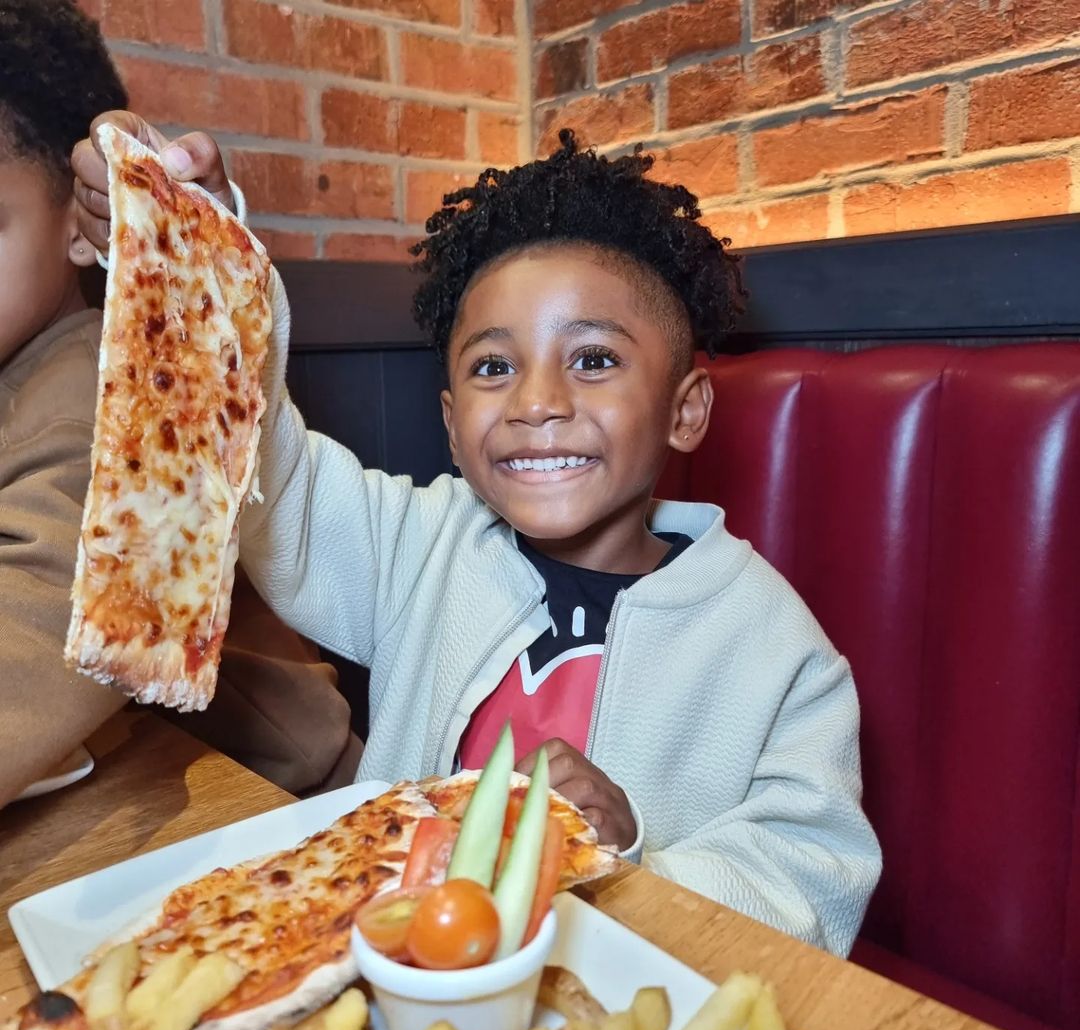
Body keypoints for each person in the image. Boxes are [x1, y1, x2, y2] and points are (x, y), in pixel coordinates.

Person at [73, 115, 882, 954]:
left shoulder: (775, 647)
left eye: (594, 359)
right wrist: (202, 250)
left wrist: (633, 859)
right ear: (455, 428)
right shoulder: (423, 543)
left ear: (684, 411)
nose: (537, 401)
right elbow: (268, 474)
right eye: (495, 366)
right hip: (397, 973)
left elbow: (813, 871)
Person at [0, 0, 359, 809]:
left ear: (80, 225)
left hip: (285, 791)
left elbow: (36, 639)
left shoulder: (102, 396)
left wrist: (179, 217)